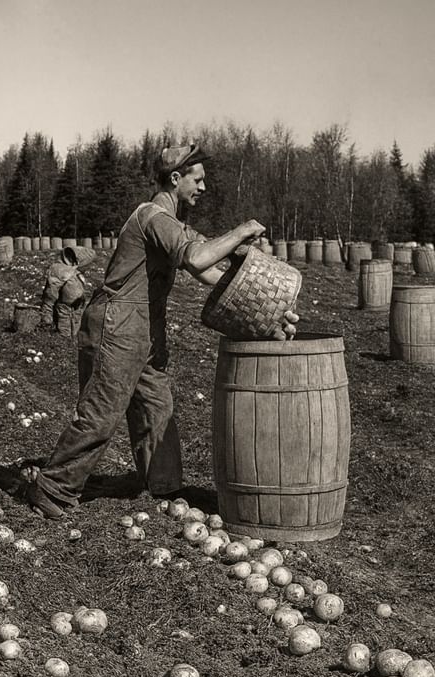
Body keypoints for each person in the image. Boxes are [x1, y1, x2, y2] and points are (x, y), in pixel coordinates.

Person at [21, 143, 298, 518]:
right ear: (175, 178)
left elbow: (208, 273)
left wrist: (265, 304)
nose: (202, 187)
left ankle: (164, 487)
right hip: (118, 323)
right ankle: (53, 489)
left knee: (157, 407)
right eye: (197, 180)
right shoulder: (153, 218)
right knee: (102, 411)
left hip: (145, 326)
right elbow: (197, 258)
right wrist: (242, 230)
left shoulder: (173, 224)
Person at [40, 247, 91, 337]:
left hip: (77, 304)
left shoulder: (73, 271)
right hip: (64, 304)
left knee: (77, 321)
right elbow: (51, 291)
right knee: (64, 323)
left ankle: (74, 338)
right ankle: (64, 339)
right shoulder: (59, 269)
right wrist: (47, 311)